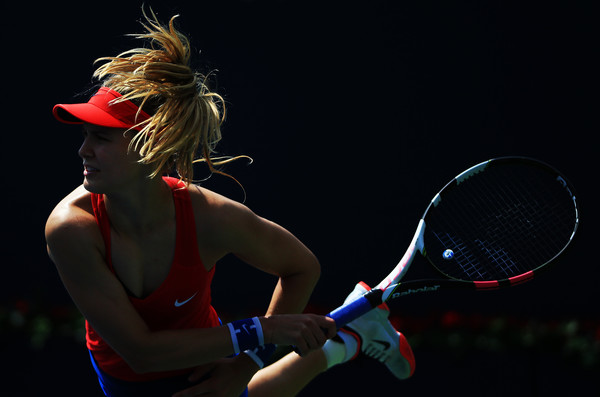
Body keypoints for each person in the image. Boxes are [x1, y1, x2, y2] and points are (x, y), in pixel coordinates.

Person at [45, 9, 415, 397]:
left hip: (201, 364)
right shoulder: (71, 228)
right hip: (127, 376)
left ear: (153, 143)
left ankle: (349, 339)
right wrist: (263, 333)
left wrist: (248, 364)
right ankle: (350, 339)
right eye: (85, 136)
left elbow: (301, 267)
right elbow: (141, 354)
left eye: (101, 138)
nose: (83, 150)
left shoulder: (209, 216)